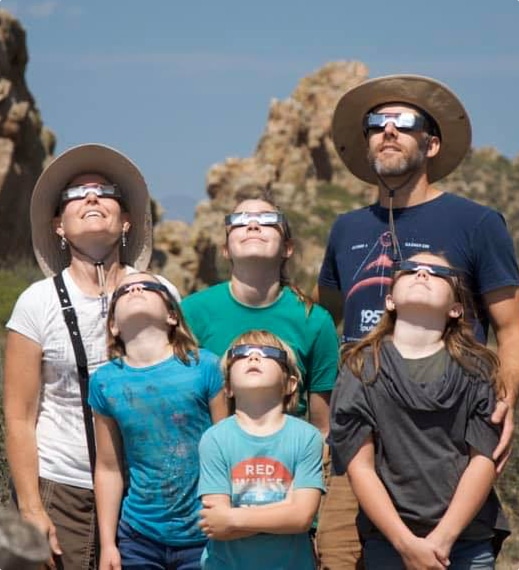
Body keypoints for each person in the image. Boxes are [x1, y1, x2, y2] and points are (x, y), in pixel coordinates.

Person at [314, 75, 519, 569]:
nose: (388, 132)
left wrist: (507, 399)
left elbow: (510, 324)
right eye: (376, 124)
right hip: (358, 430)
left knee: (447, 553)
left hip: (444, 429)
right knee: (337, 555)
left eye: (404, 123)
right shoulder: (347, 228)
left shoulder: (476, 222)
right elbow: (328, 323)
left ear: (431, 144)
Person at [3, 143, 180, 569]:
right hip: (62, 487)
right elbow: (19, 414)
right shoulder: (36, 302)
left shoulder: (161, 292)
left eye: (106, 190)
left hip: (148, 489)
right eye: (75, 194)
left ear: (126, 221)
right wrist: (30, 508)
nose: (92, 197)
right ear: (58, 226)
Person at [329, 252, 507, 570]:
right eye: (409, 269)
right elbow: (361, 468)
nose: (422, 273)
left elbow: (482, 460)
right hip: (388, 542)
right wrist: (405, 543)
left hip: (465, 542)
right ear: (389, 302)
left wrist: (443, 539)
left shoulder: (479, 368)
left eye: (437, 272)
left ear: (456, 308)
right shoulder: (360, 367)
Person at [89, 271, 227, 570]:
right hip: (138, 537)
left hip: (204, 534)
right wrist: (109, 544)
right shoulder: (104, 381)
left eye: (149, 286)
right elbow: (109, 467)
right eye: (124, 291)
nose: (136, 288)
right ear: (112, 324)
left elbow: (226, 450)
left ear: (172, 315)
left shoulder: (205, 366)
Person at [181, 191, 339, 438]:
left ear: (287, 248)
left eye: (267, 220)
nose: (253, 225)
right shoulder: (191, 313)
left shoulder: (315, 321)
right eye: (240, 221)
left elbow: (322, 428)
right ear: (225, 249)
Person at [198, 330, 325, 570]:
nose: (253, 357)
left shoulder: (307, 437)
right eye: (241, 354)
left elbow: (301, 518)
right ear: (228, 387)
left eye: (269, 353)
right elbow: (216, 526)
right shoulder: (214, 439)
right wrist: (284, 511)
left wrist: (233, 517)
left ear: (290, 384)